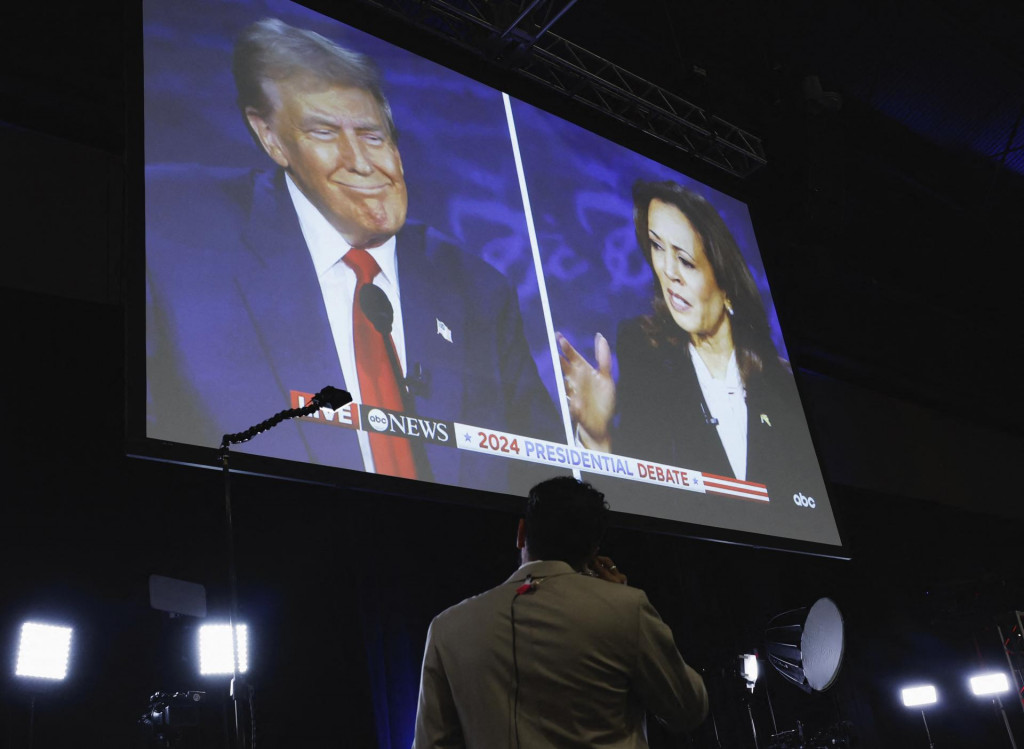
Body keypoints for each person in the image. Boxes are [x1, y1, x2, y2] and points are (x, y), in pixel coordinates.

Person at [145, 18, 562, 494]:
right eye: (324, 133)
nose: (361, 162)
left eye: (371, 135)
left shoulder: (479, 292)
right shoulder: (171, 238)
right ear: (271, 138)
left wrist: (590, 444)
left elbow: (540, 484)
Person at [558, 180, 816, 495]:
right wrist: (597, 437)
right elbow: (638, 497)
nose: (668, 271)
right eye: (656, 246)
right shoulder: (643, 350)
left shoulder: (781, 383)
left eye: (685, 260)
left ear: (725, 284)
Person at [413, 476, 708, 748]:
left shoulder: (447, 627)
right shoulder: (626, 608)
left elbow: (432, 744)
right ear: (593, 549)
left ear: (521, 533)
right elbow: (687, 710)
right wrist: (621, 599)